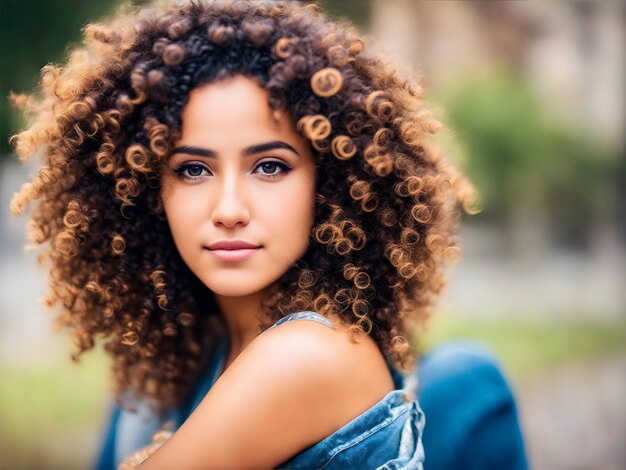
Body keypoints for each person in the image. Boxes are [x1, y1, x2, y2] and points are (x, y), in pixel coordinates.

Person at [9, 0, 527, 468]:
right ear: (144, 190)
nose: (229, 210)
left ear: (330, 184)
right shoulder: (173, 373)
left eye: (271, 167)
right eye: (193, 170)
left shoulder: (312, 354)